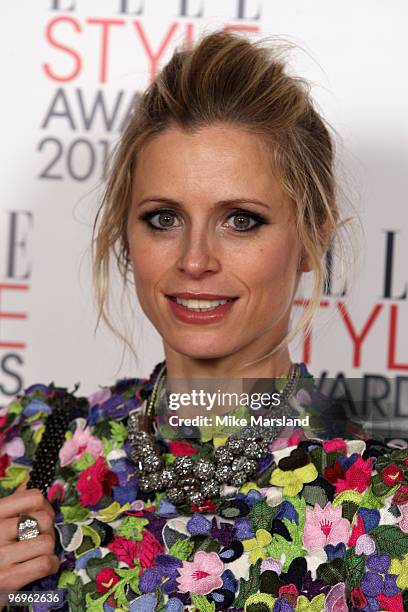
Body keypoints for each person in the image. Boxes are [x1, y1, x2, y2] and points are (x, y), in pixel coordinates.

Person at [1, 30, 407, 612]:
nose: (195, 260)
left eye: (241, 220)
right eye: (163, 218)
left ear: (312, 239)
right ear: (125, 232)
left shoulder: (384, 506)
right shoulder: (33, 447)